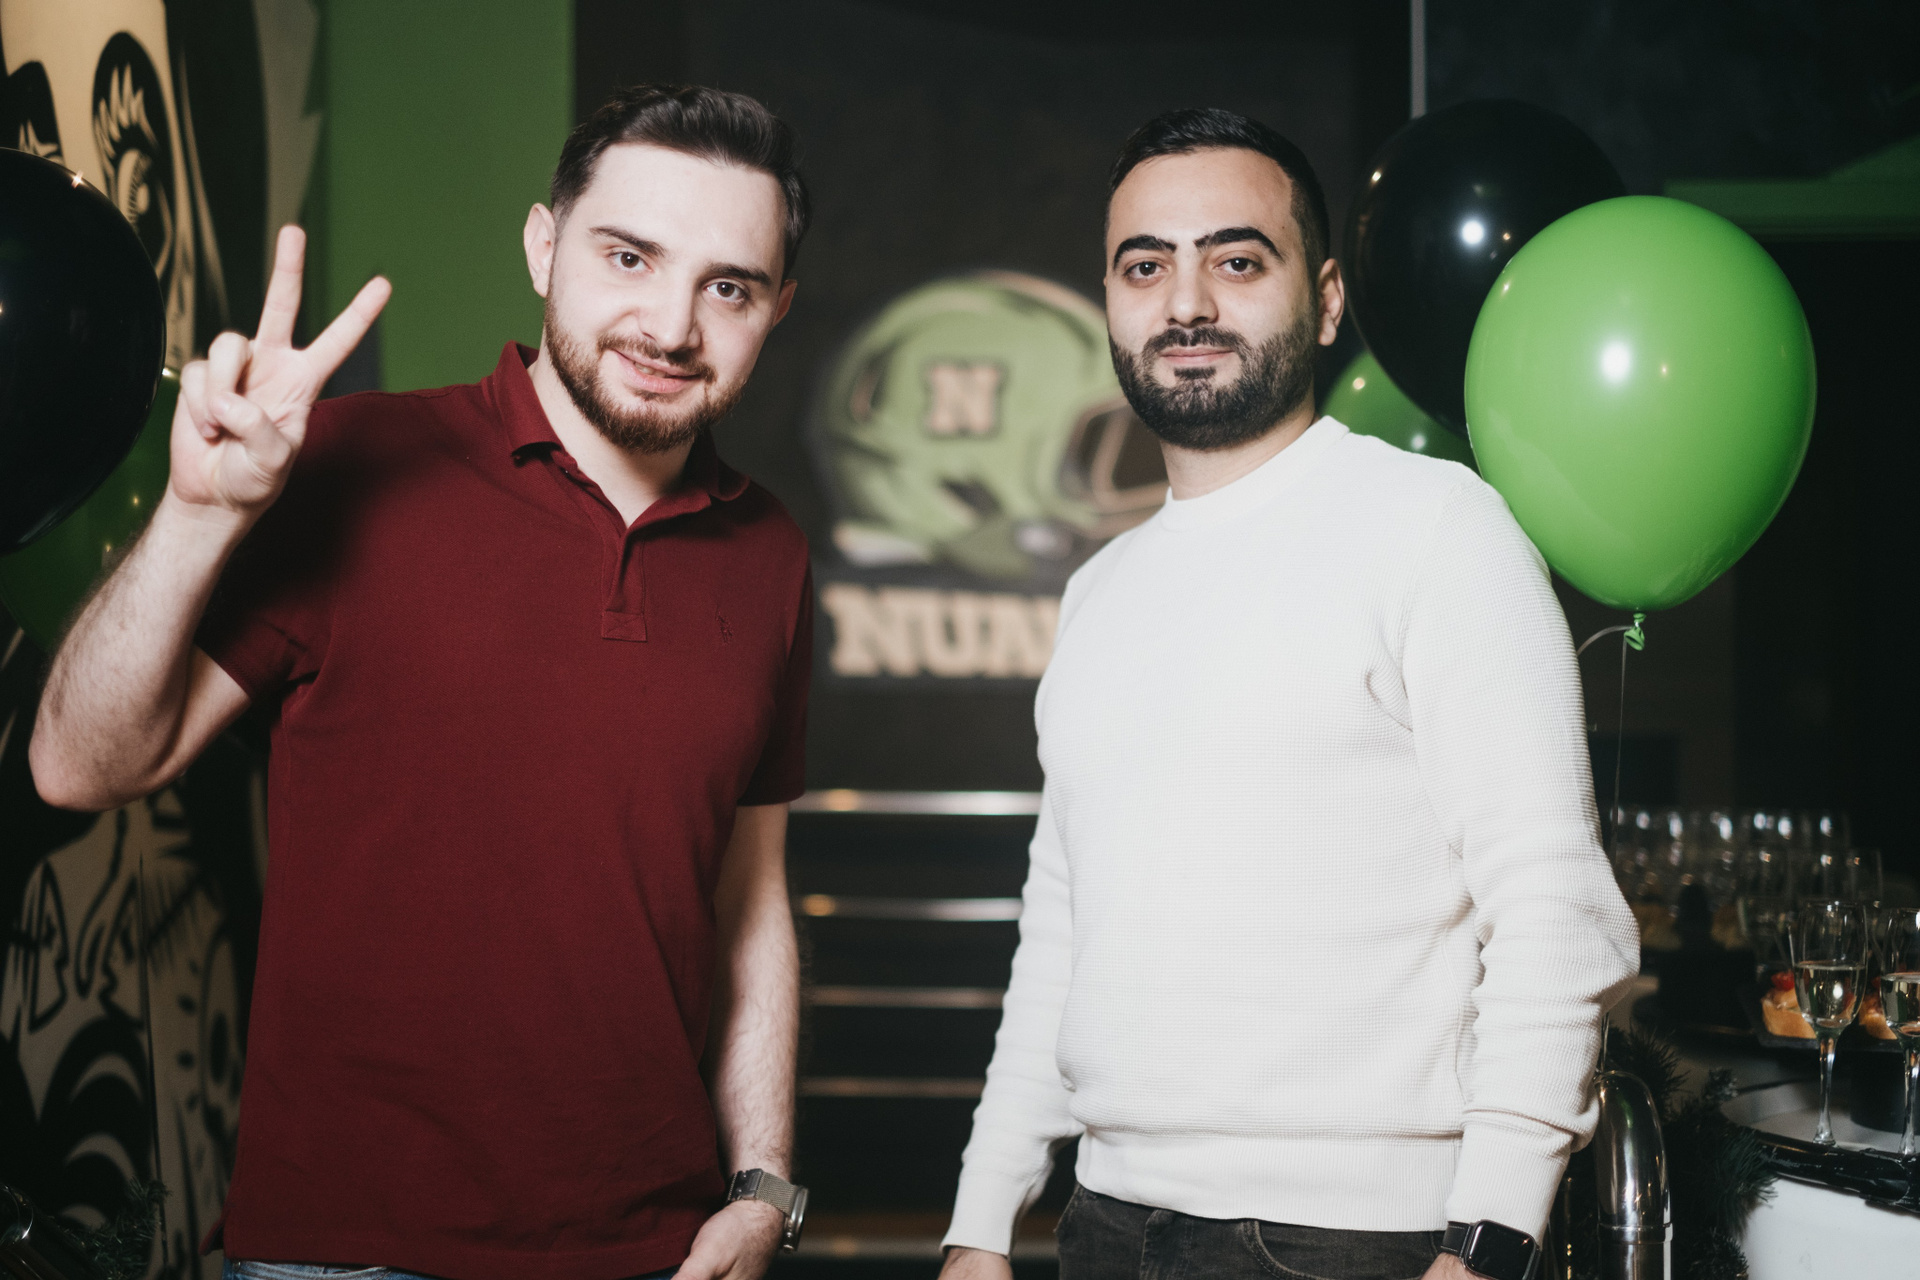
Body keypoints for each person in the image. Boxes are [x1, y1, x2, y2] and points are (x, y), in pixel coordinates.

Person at [31, 85, 817, 1280]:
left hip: (653, 1250)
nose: (670, 326)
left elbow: (750, 900)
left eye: (730, 288)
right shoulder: (357, 461)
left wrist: (762, 1186)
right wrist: (196, 513)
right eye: (629, 256)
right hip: (342, 1253)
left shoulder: (770, 554)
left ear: (778, 307)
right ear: (544, 246)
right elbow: (79, 766)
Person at [938, 108, 1640, 1280]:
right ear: (1110, 301)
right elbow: (1060, 932)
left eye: (1236, 260)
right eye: (1145, 266)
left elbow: (1554, 911)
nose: (1186, 303)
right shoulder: (1099, 593)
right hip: (1103, 1226)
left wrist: (1488, 1239)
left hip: (1348, 1241)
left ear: (1323, 301)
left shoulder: (1440, 530)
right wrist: (978, 1219)